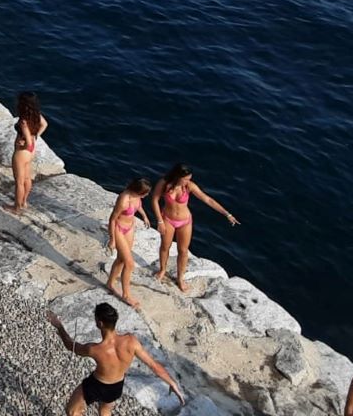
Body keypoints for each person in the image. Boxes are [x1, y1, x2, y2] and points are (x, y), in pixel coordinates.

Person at [47, 304, 183, 415]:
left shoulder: (94, 349)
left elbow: (71, 346)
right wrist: (172, 382)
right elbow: (153, 365)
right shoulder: (131, 341)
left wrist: (59, 326)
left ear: (99, 323)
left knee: (72, 411)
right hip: (116, 387)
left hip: (96, 385)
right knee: (105, 411)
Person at [152, 164, 238, 293]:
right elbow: (154, 199)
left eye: (189, 178)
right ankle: (162, 270)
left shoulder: (189, 186)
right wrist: (159, 221)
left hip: (185, 221)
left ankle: (180, 278)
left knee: (183, 250)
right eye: (185, 179)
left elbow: (207, 199)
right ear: (177, 176)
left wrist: (227, 214)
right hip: (167, 219)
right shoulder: (164, 183)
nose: (188, 181)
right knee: (165, 246)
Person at [106, 178, 153, 309]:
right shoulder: (124, 199)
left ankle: (110, 283)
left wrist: (144, 216)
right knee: (129, 263)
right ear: (137, 191)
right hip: (119, 229)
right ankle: (126, 294)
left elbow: (139, 205)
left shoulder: (136, 197)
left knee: (121, 259)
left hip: (130, 227)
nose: (146, 196)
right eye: (144, 193)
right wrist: (112, 239)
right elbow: (112, 219)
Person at [5, 92, 49, 215]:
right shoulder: (36, 115)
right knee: (27, 178)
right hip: (31, 152)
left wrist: (23, 144)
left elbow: (28, 142)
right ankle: (24, 202)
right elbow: (45, 124)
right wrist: (36, 136)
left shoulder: (24, 121)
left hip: (22, 152)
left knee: (19, 182)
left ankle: (16, 208)